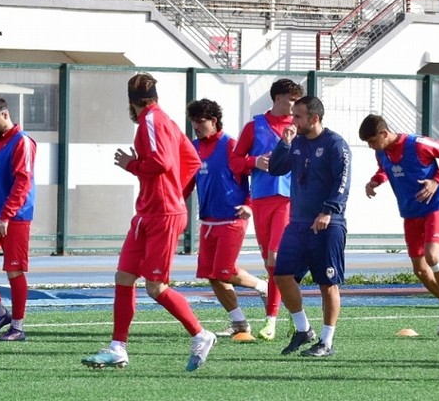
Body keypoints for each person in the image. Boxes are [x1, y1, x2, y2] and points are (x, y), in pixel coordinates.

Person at [82, 73, 216, 372]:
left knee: (155, 287)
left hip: (162, 215)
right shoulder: (163, 120)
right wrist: (173, 192)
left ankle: (201, 334)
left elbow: (161, 163)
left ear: (131, 102)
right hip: (149, 212)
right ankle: (118, 347)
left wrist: (133, 166)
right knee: (124, 277)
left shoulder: (152, 121)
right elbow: (191, 161)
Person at [358, 114, 439, 336]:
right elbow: (385, 170)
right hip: (410, 213)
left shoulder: (417, 144)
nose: (371, 147)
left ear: (384, 133)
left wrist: (436, 180)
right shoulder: (382, 151)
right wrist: (374, 181)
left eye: (372, 142)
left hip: (433, 208)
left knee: (432, 256)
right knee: (420, 270)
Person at [269, 96, 351, 357]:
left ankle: (326, 342)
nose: (293, 121)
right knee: (282, 275)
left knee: (327, 284)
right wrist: (284, 143)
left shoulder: (335, 144)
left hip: (328, 224)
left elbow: (343, 181)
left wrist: (329, 210)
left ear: (314, 118)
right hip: (297, 224)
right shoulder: (297, 143)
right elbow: (275, 169)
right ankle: (303, 329)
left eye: (298, 116)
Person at [185, 99, 268, 338]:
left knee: (224, 271)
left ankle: (263, 287)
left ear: (213, 120)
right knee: (211, 275)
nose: (196, 126)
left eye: (200, 121)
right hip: (208, 220)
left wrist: (251, 205)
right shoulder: (193, 147)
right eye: (193, 121)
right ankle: (239, 323)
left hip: (233, 217)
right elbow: (188, 182)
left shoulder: (231, 144)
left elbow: (256, 175)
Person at [229, 78, 304, 341]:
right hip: (261, 200)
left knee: (274, 258)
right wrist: (254, 162)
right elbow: (235, 161)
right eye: (292, 100)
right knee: (270, 263)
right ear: (278, 98)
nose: (295, 106)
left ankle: (271, 320)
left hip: (288, 200)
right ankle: (296, 316)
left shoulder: (300, 127)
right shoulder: (254, 126)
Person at [0, 96, 36, 341]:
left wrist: (5, 216)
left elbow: (22, 182)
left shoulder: (22, 142)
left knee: (14, 271)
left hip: (15, 218)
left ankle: (17, 327)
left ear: (5, 115)